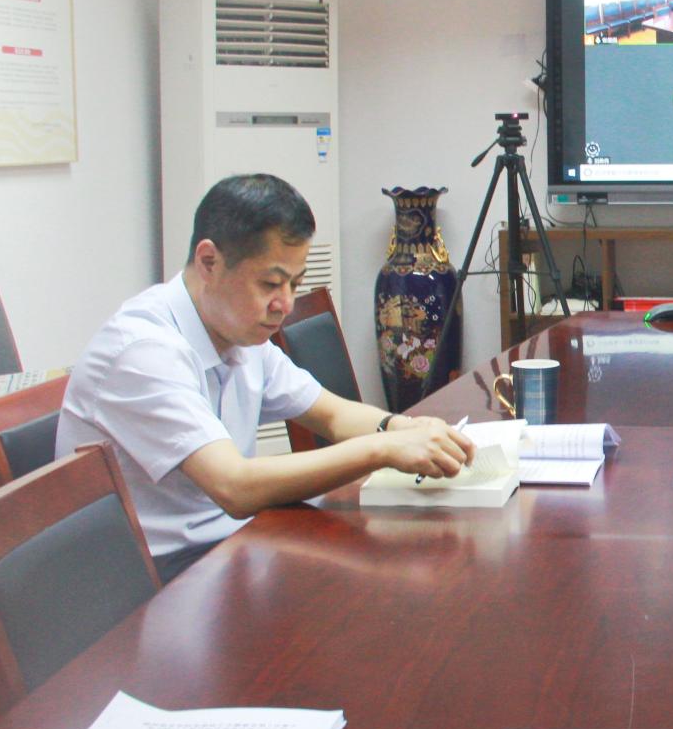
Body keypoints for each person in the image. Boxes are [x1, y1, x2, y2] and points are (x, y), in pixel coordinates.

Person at [58, 174, 475, 580]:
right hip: (157, 581)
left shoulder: (237, 330)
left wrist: (400, 426)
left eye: (295, 284)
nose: (285, 304)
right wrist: (383, 448)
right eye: (271, 283)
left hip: (229, 548)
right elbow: (235, 487)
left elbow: (332, 415)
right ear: (209, 262)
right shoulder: (144, 351)